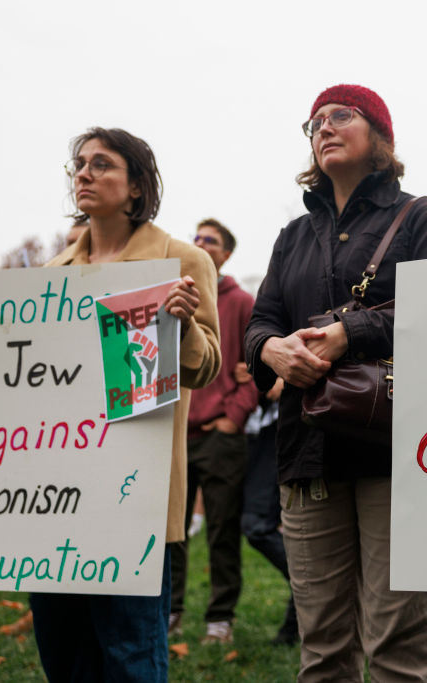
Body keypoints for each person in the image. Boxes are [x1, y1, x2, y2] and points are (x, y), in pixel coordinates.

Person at [0, 127, 220, 682]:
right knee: (64, 653)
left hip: (131, 497)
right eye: (78, 164)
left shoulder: (179, 259)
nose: (83, 173)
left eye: (102, 164)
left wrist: (184, 326)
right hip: (53, 496)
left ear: (137, 186)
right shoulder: (52, 277)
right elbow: (28, 387)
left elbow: (206, 367)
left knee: (130, 655)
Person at [244, 84, 427, 682]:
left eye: (342, 115)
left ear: (380, 136)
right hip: (307, 455)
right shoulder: (292, 236)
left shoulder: (419, 217)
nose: (324, 127)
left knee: (396, 648)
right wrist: (272, 350)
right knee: (323, 649)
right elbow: (261, 322)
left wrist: (350, 332)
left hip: (396, 455)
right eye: (314, 122)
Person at [169, 218, 258, 644]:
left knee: (222, 531)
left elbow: (256, 366)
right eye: (197, 238)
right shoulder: (174, 296)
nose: (201, 244)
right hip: (177, 432)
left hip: (220, 435)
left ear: (226, 254)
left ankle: (220, 619)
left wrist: (233, 417)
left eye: (211, 240)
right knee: (172, 532)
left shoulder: (241, 302)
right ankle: (170, 611)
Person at [235, 361, 299, 646]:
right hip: (259, 430)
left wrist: (286, 378)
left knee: (257, 525)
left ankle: (311, 589)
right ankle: (308, 591)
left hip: (293, 425)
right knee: (254, 525)